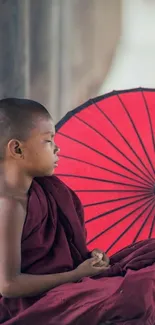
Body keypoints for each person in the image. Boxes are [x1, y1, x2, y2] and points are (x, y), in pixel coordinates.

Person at [0, 98, 155, 325]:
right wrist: (77, 275)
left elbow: (63, 253)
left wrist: (90, 259)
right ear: (17, 148)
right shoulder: (9, 204)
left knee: (149, 253)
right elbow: (8, 285)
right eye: (47, 140)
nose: (56, 147)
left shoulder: (46, 190)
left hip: (65, 283)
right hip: (33, 303)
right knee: (141, 288)